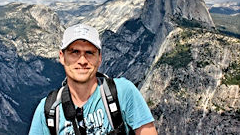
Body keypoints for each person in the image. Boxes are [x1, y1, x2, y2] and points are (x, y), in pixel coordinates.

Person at [29, 24, 157, 135]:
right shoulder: (48, 110)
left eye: (89, 53)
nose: (82, 61)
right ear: (62, 57)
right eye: (74, 52)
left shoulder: (123, 92)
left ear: (99, 58)